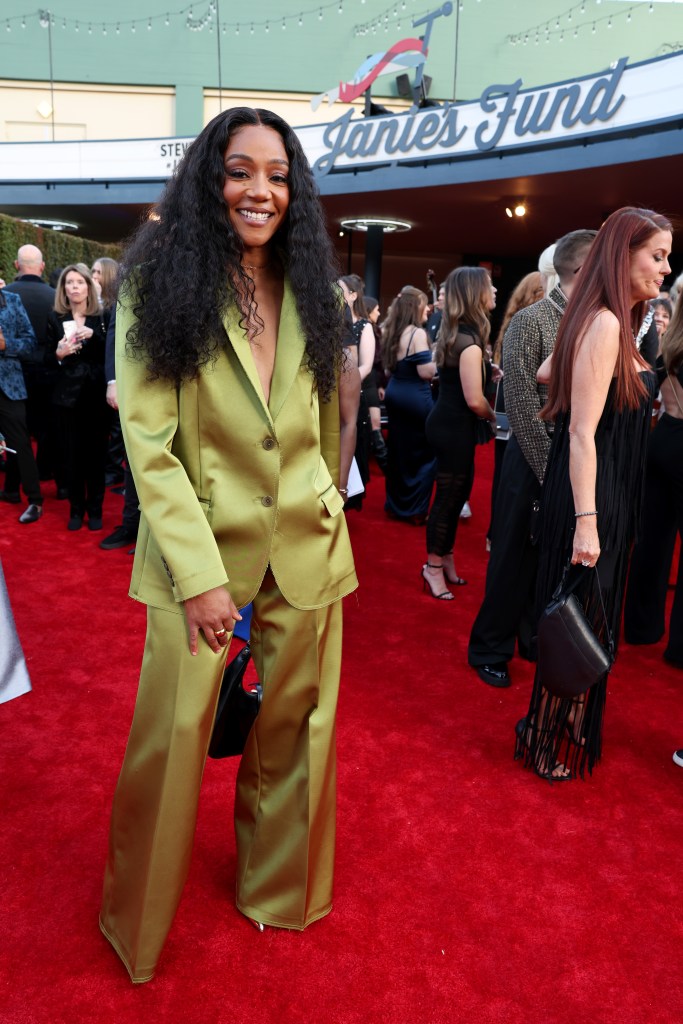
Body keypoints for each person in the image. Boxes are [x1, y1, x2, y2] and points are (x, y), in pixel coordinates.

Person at [99, 106, 358, 984]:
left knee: (299, 731)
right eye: (241, 171)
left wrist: (327, 505)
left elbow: (318, 423)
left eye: (278, 176)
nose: (260, 191)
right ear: (210, 181)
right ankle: (135, 923)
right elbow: (150, 445)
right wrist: (200, 577)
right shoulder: (156, 286)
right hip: (198, 555)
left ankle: (280, 893)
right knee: (171, 741)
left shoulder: (314, 288)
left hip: (307, 545)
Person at [515, 207, 671, 780]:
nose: (666, 267)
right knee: (578, 614)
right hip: (592, 494)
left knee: (591, 613)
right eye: (657, 256)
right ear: (621, 256)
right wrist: (587, 521)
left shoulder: (613, 322)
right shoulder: (605, 324)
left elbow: (547, 371)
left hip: (610, 492)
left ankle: (571, 716)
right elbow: (581, 432)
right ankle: (539, 731)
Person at [468, 231, 597, 687]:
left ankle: (531, 637)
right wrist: (551, 474)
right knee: (512, 557)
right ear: (582, 269)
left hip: (570, 460)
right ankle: (490, 647)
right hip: (531, 459)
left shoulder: (592, 321)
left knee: (549, 559)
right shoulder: (531, 320)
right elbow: (522, 406)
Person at [422, 267, 497, 600]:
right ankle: (432, 566)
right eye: (489, 286)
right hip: (452, 428)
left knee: (457, 495)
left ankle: (446, 556)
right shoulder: (469, 342)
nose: (494, 290)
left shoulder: (462, 335)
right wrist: (493, 417)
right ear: (474, 293)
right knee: (448, 499)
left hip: (450, 424)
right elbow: (475, 400)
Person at [624, 294, 683, 669]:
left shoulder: (669, 344)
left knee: (652, 540)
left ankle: (641, 627)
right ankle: (679, 649)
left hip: (661, 440)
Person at [46, 264, 109, 531]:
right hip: (66, 398)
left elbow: (112, 356)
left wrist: (95, 337)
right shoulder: (55, 318)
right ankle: (75, 509)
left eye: (79, 282)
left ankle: (95, 509)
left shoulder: (102, 317)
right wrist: (59, 355)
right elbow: (44, 359)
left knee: (96, 456)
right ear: (63, 288)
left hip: (95, 397)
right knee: (70, 456)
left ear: (88, 287)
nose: (74, 287)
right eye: (69, 282)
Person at [3, 245, 63, 496]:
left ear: (16, 265)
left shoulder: (7, 295)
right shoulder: (55, 297)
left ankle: (13, 486)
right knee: (48, 428)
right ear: (42, 266)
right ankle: (47, 474)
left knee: (17, 432)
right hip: (47, 372)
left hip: (12, 375)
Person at [381, 286, 436, 523]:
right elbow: (426, 373)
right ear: (415, 308)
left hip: (394, 393)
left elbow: (386, 370)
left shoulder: (390, 330)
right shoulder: (417, 334)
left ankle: (395, 505)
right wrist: (438, 361)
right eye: (425, 305)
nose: (429, 309)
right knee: (425, 453)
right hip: (415, 397)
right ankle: (414, 510)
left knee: (399, 451)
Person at [0, 286, 43, 523]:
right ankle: (10, 490)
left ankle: (35, 501)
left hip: (9, 386)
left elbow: (30, 342)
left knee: (20, 443)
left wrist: (6, 345)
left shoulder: (12, 301)